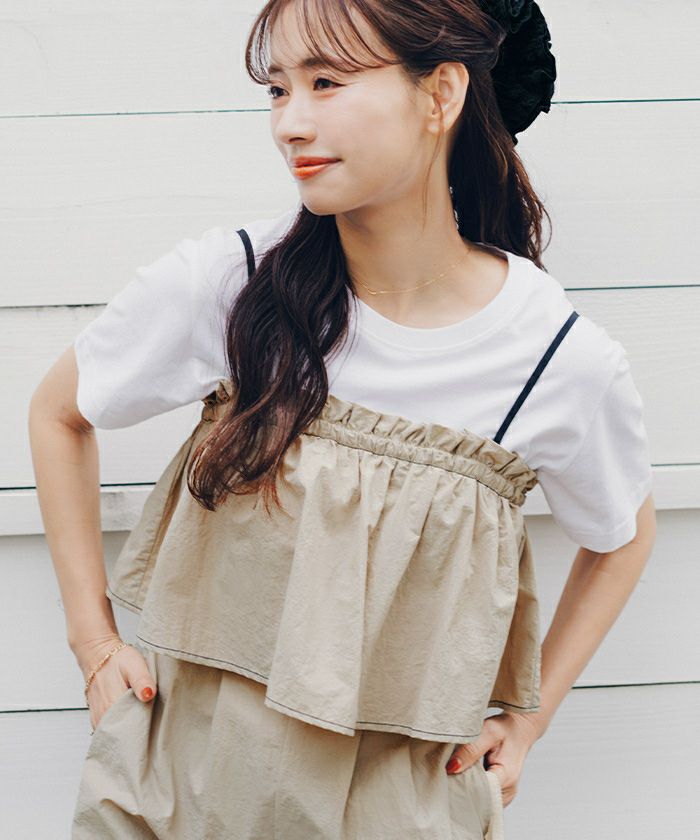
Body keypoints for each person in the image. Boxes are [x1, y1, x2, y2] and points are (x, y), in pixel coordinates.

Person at [28, 0, 656, 837]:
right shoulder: (235, 283)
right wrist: (95, 648)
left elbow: (623, 535)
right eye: (277, 89)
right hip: (177, 797)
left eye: (326, 82)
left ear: (441, 95)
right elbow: (59, 413)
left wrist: (528, 720)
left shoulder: (551, 358)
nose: (290, 123)